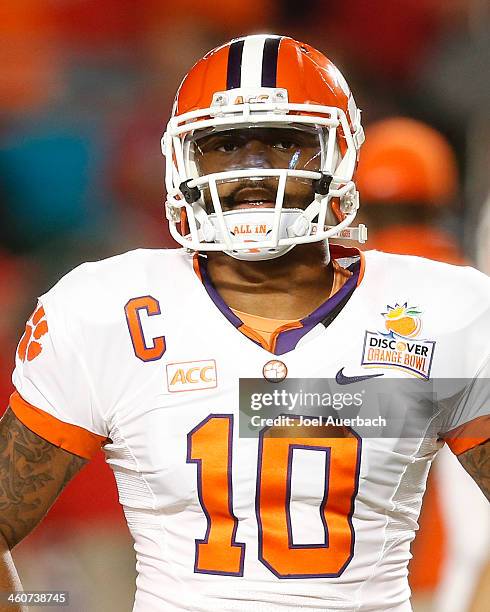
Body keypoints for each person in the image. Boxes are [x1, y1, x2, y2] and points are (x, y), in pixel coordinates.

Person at [0, 34, 488, 612]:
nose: (253, 170)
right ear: (182, 161)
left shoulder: (445, 308)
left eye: (285, 143)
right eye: (225, 145)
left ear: (340, 154)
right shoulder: (106, 308)